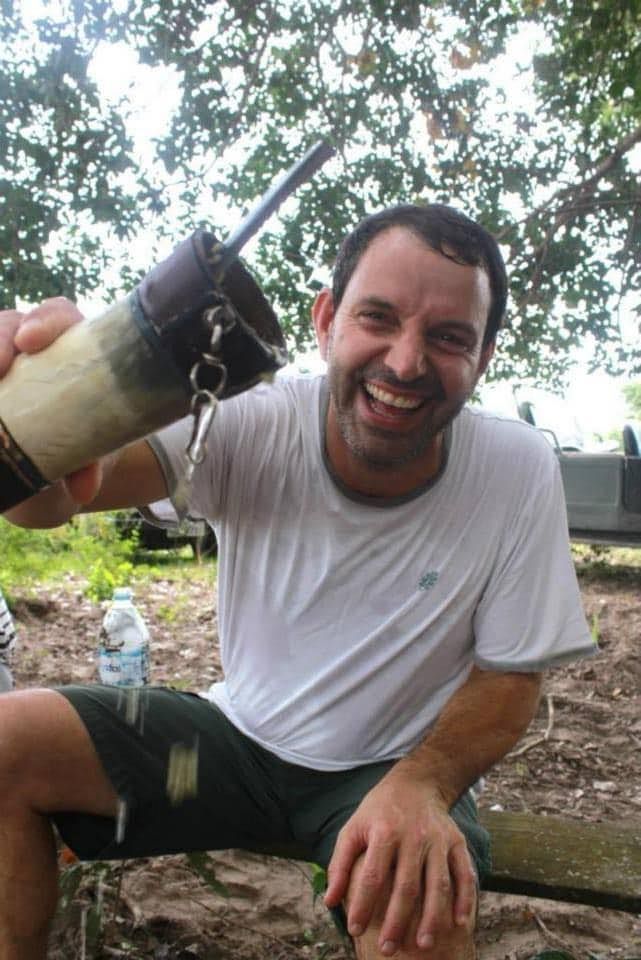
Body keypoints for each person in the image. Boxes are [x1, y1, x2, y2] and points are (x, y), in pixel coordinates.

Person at [0, 203, 595, 960]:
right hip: (228, 746)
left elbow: (510, 677)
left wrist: (425, 782)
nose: (405, 363)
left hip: (388, 771)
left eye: (448, 337)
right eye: (377, 317)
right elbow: (61, 494)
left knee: (421, 916)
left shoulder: (515, 468)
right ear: (326, 319)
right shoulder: (250, 418)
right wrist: (29, 408)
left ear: (482, 356)